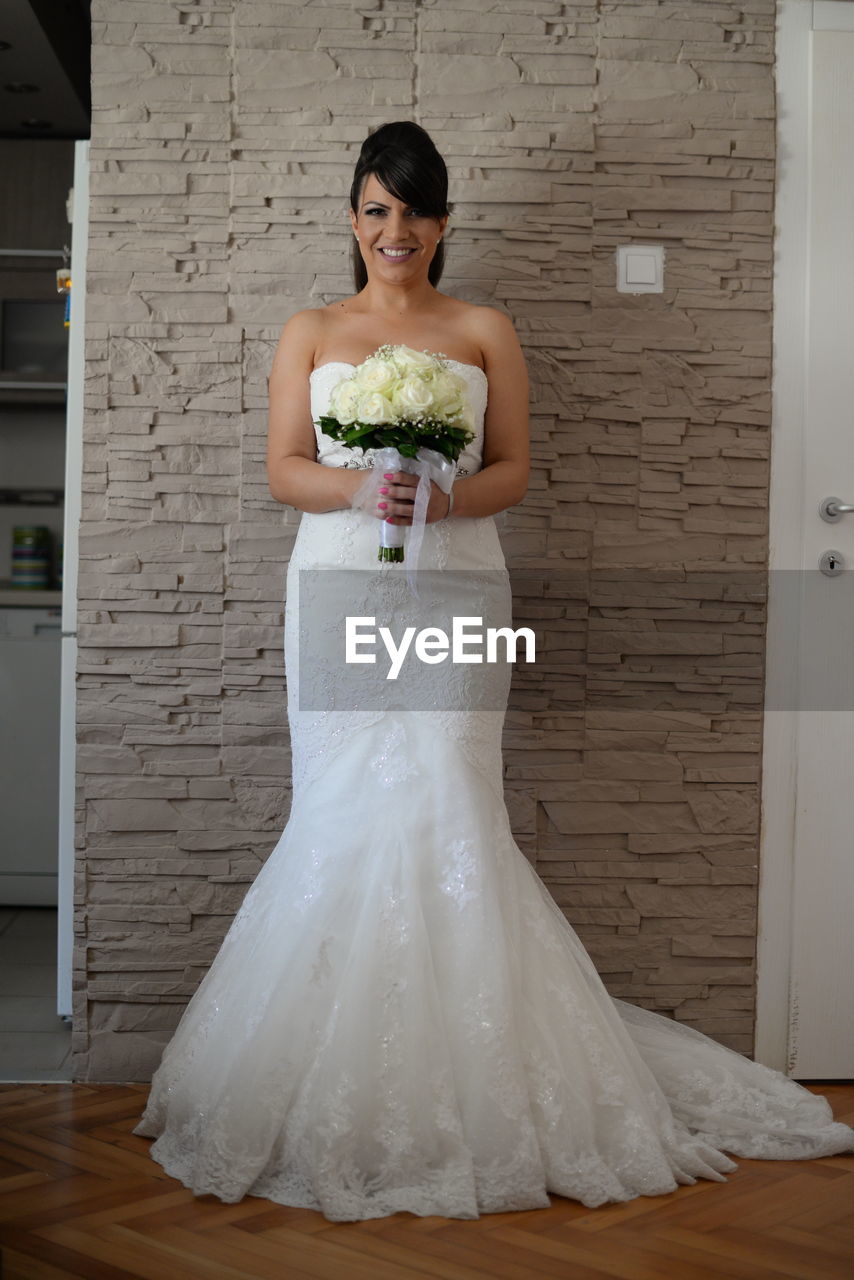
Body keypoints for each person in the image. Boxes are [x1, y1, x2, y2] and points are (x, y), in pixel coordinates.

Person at [134, 121, 854, 1221]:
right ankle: (330, 1084)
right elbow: (286, 466)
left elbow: (512, 467)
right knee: (336, 805)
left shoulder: (481, 329)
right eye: (376, 209)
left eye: (414, 211)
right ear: (351, 217)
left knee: (453, 801)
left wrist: (439, 497)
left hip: (460, 585)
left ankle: (490, 1084)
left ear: (442, 222)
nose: (395, 231)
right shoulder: (310, 328)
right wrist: (360, 492)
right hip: (334, 584)